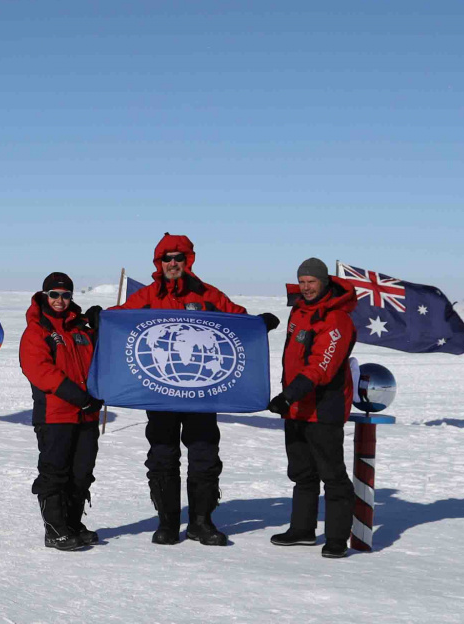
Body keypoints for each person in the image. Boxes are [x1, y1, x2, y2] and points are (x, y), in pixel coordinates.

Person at [118, 235, 278, 546]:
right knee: (163, 455)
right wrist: (100, 318)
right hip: (161, 393)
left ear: (187, 260)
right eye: (167, 258)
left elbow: (235, 316)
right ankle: (167, 523)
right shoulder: (149, 295)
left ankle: (201, 522)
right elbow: (121, 318)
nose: (173, 263)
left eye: (178, 257)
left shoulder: (207, 293)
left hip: (203, 394)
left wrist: (258, 324)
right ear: (159, 263)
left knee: (204, 455)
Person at [268, 257, 359, 557]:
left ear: (324, 282)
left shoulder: (336, 319)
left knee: (332, 475)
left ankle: (336, 538)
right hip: (295, 408)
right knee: (302, 473)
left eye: (312, 282)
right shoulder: (299, 311)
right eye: (303, 282)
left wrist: (289, 395)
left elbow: (322, 365)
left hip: (323, 408)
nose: (306, 287)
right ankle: (303, 530)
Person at [18, 272, 100, 552]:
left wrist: (102, 327)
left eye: (65, 295)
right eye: (54, 294)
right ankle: (55, 530)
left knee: (82, 473)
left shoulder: (81, 329)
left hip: (86, 415)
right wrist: (77, 396)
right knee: (55, 473)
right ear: (45, 295)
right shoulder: (37, 330)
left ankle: (72, 524)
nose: (60, 300)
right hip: (55, 416)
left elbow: (101, 359)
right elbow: (39, 370)